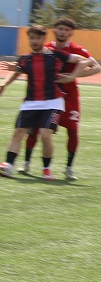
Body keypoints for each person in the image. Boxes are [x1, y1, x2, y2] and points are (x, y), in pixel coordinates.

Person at [0, 26, 98, 179]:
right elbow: (17, 71)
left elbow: (84, 61)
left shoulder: (56, 55)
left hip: (53, 101)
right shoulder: (26, 59)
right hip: (31, 102)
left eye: (38, 38)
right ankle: (8, 166)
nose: (34, 41)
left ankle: (46, 168)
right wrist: (3, 84)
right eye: (32, 38)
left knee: (45, 133)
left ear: (44, 40)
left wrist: (72, 76)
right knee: (18, 132)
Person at [20, 17, 92, 178]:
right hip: (49, 95)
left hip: (70, 96)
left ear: (72, 33)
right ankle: (26, 163)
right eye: (60, 28)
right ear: (54, 30)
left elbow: (96, 67)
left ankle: (68, 168)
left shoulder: (77, 49)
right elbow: (28, 64)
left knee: (72, 131)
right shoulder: (45, 48)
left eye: (66, 30)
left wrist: (72, 76)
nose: (63, 32)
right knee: (36, 129)